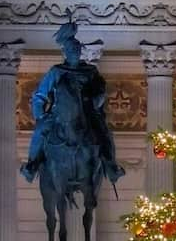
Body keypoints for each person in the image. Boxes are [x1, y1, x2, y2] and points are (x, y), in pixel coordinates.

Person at [21, 17, 124, 185]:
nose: (75, 53)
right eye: (72, 50)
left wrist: (97, 99)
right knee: (40, 131)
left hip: (88, 113)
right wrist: (40, 115)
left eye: (77, 50)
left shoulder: (90, 71)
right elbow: (40, 95)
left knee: (105, 133)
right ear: (65, 53)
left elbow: (100, 90)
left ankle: (111, 166)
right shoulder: (56, 72)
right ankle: (31, 166)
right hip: (57, 115)